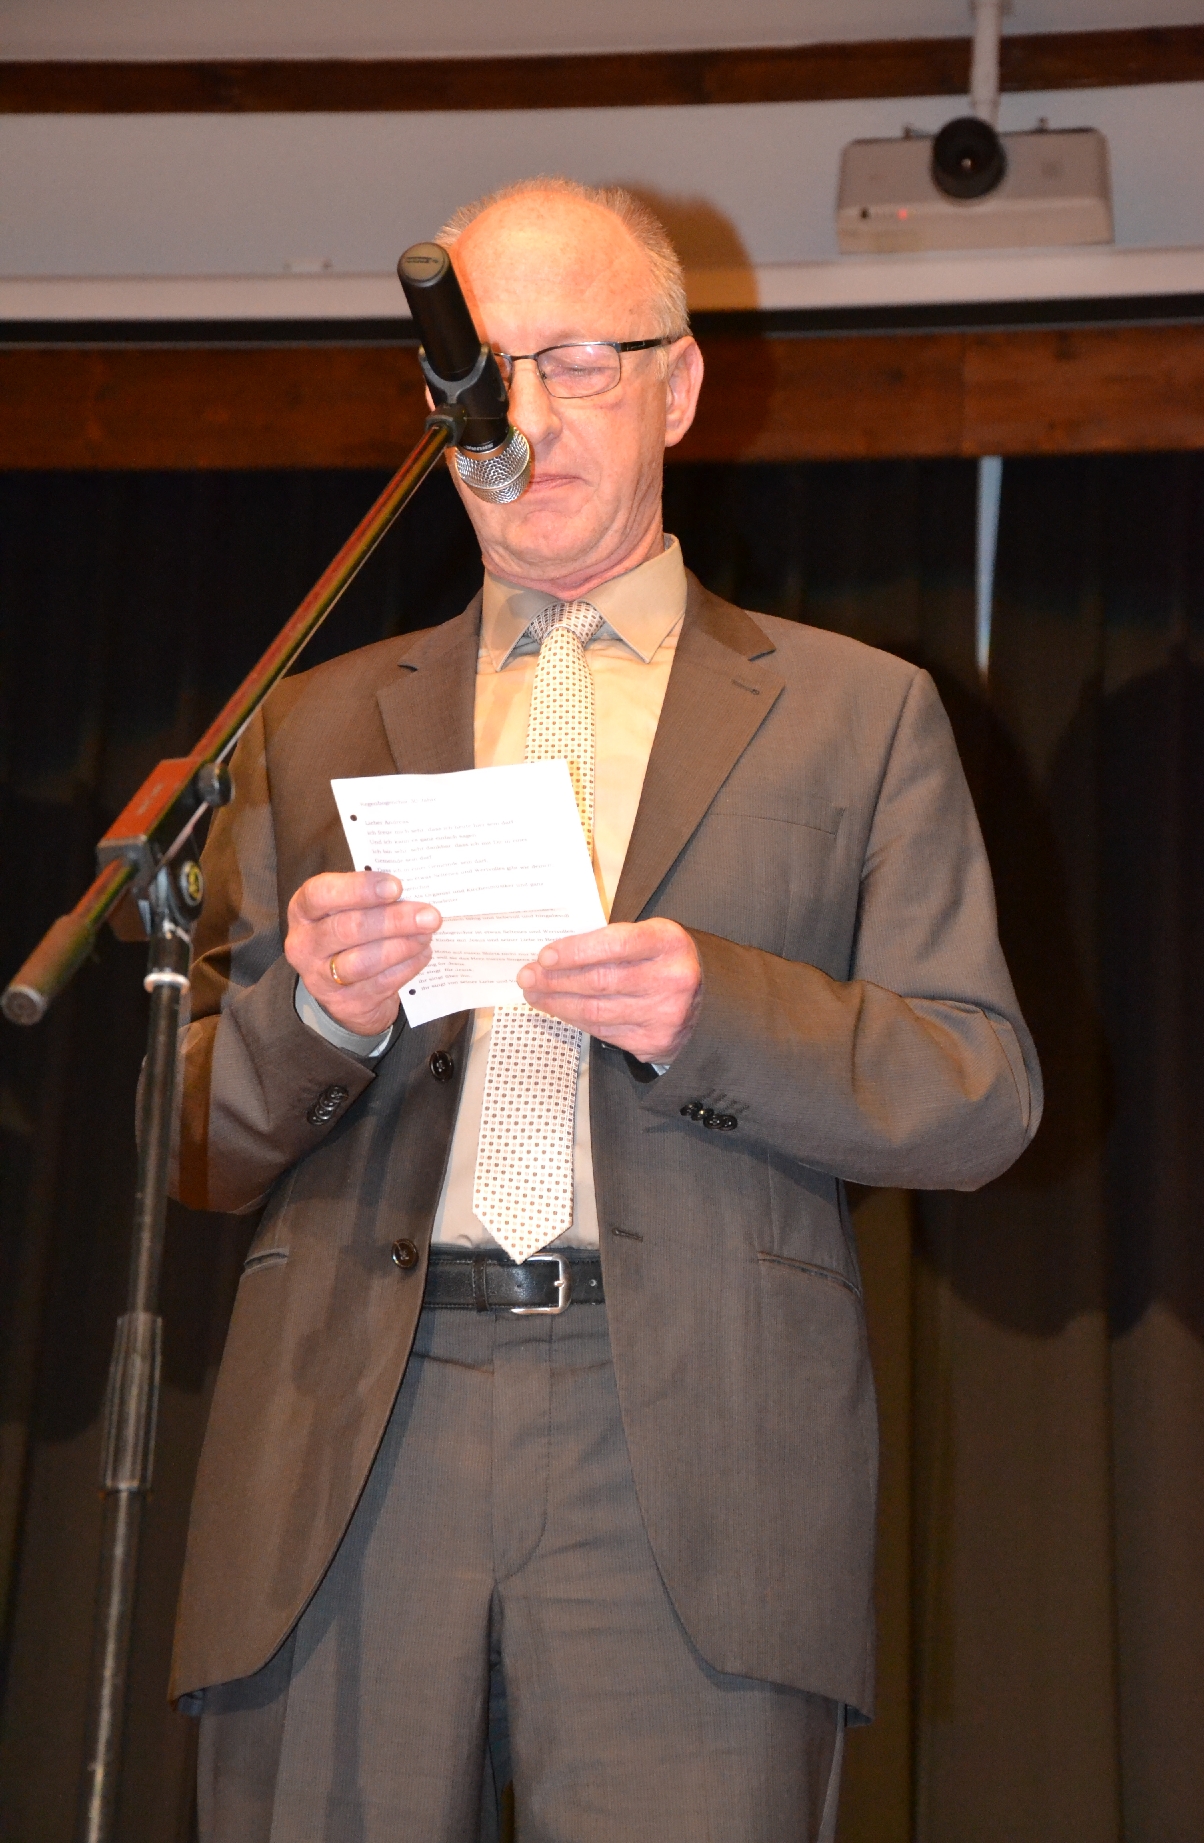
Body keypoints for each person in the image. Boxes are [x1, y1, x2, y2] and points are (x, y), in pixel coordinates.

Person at [170, 177, 1042, 1843]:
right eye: (482, 373)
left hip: (697, 1455)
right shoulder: (309, 721)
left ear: (678, 386)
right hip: (350, 1436)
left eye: (574, 361)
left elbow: (976, 1092)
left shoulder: (857, 714)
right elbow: (190, 1142)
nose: (522, 417)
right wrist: (318, 1021)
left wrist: (721, 1011)